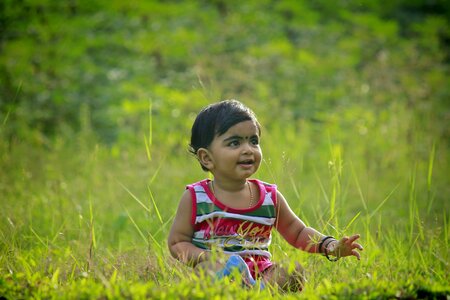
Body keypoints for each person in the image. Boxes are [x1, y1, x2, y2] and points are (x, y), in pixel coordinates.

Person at [167, 100, 363, 292]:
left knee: (294, 270)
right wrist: (207, 258)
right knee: (206, 272)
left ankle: (257, 291)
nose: (248, 149)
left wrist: (329, 245)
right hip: (219, 270)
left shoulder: (269, 197)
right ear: (207, 158)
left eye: (253, 141)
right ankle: (236, 291)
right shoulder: (196, 197)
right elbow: (177, 242)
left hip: (263, 274)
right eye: (234, 143)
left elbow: (297, 232)